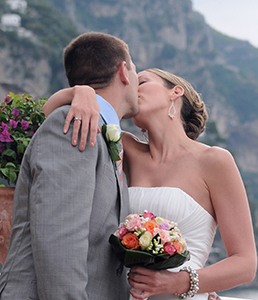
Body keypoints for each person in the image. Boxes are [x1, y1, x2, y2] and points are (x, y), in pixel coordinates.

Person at [42, 68, 257, 300]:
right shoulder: (125, 148)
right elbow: (52, 122)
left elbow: (245, 264)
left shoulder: (215, 161)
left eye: (142, 81)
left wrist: (178, 282)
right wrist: (80, 93)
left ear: (175, 92)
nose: (134, 89)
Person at [0, 32, 139, 300]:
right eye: (135, 70)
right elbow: (60, 243)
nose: (138, 83)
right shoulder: (75, 123)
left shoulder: (100, 130)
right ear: (124, 71)